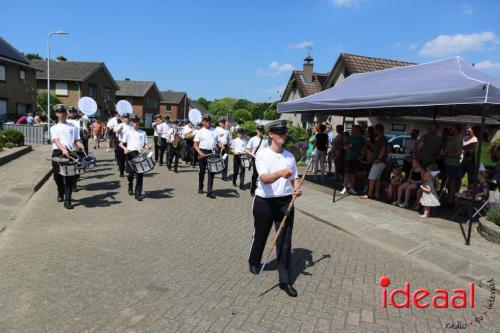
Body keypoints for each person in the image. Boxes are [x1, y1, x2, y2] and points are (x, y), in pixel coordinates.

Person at [248, 120, 302, 298]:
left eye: (285, 133)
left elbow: (294, 176)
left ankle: (284, 280)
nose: (283, 136)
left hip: (285, 202)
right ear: (271, 134)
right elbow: (264, 179)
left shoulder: (290, 156)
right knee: (261, 235)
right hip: (264, 202)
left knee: (285, 242)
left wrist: (296, 187)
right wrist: (280, 173)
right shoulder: (263, 155)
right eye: (279, 133)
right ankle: (254, 260)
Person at [50, 105, 85, 209]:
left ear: (66, 113)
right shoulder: (54, 127)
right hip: (58, 153)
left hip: (71, 153)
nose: (62, 114)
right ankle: (60, 192)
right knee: (57, 176)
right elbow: (56, 140)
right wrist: (63, 149)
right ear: (56, 114)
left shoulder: (73, 127)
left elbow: (76, 139)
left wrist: (80, 144)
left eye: (63, 112)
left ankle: (68, 201)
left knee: (69, 177)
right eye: (59, 112)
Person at [119, 115, 148, 201]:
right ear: (131, 122)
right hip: (130, 154)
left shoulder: (143, 133)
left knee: (139, 175)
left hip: (140, 154)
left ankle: (138, 194)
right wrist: (125, 148)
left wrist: (147, 147)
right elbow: (121, 144)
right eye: (134, 121)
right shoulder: (127, 132)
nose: (135, 123)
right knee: (130, 174)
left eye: (137, 121)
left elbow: (145, 144)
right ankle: (130, 185)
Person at [194, 114, 219, 199]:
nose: (208, 122)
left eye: (209, 121)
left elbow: (217, 142)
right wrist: (200, 152)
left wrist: (220, 144)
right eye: (206, 121)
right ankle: (201, 186)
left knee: (211, 172)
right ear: (203, 122)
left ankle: (209, 191)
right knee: (202, 171)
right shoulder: (199, 131)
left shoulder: (214, 130)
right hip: (202, 152)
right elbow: (195, 145)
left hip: (211, 153)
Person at [361, 124, 388, 200]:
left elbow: (383, 150)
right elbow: (377, 149)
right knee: (377, 179)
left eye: (374, 129)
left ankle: (369, 194)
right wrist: (370, 143)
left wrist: (378, 159)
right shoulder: (380, 138)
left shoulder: (382, 138)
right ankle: (376, 194)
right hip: (380, 161)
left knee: (371, 177)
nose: (373, 131)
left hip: (379, 162)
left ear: (378, 130)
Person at [245, 125, 269, 197]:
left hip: (264, 160)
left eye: (262, 130)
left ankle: (261, 190)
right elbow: (246, 150)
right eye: (259, 130)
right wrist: (253, 155)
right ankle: (252, 190)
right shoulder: (253, 139)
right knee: (255, 174)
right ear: (256, 131)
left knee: (262, 175)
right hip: (255, 159)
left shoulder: (265, 140)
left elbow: (268, 149)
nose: (260, 132)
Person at [443, 125, 463, 206]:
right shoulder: (451, 138)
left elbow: (457, 153)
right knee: (447, 183)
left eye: (451, 128)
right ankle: (449, 199)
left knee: (452, 183)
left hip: (452, 164)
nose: (449, 129)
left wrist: (446, 153)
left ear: (457, 130)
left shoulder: (458, 139)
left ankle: (450, 202)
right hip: (447, 163)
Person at [342, 125, 365, 195]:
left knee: (353, 174)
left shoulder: (362, 139)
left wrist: (362, 156)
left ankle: (351, 187)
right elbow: (343, 147)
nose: (352, 131)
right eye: (352, 129)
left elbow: (364, 148)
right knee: (347, 173)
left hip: (356, 159)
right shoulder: (349, 138)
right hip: (348, 158)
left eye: (353, 130)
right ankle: (345, 187)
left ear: (358, 131)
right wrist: (348, 146)